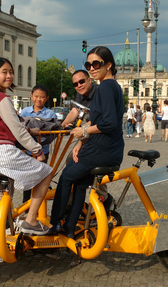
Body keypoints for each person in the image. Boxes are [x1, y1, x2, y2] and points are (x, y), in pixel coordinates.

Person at [50, 46, 124, 238]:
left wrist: (82, 130)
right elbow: (98, 120)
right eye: (88, 64)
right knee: (81, 184)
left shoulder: (106, 87)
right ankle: (69, 228)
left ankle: (56, 222)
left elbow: (108, 123)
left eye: (96, 64)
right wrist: (81, 142)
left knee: (66, 178)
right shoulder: (112, 86)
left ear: (108, 65)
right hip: (108, 148)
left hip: (102, 149)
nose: (91, 67)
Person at [0, 57, 53, 238]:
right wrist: (37, 151)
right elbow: (17, 130)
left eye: (11, 72)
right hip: (3, 152)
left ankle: (0, 248)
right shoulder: (2, 98)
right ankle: (31, 220)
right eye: (4, 72)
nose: (9, 75)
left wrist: (29, 129)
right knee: (47, 173)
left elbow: (1, 123)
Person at [19, 84, 58, 203]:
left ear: (46, 98)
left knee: (40, 179)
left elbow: (54, 132)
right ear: (31, 96)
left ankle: (38, 206)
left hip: (43, 151)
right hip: (27, 151)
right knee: (27, 178)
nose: (38, 99)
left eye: (41, 97)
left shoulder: (50, 114)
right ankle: (26, 204)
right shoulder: (25, 112)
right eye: (36, 96)